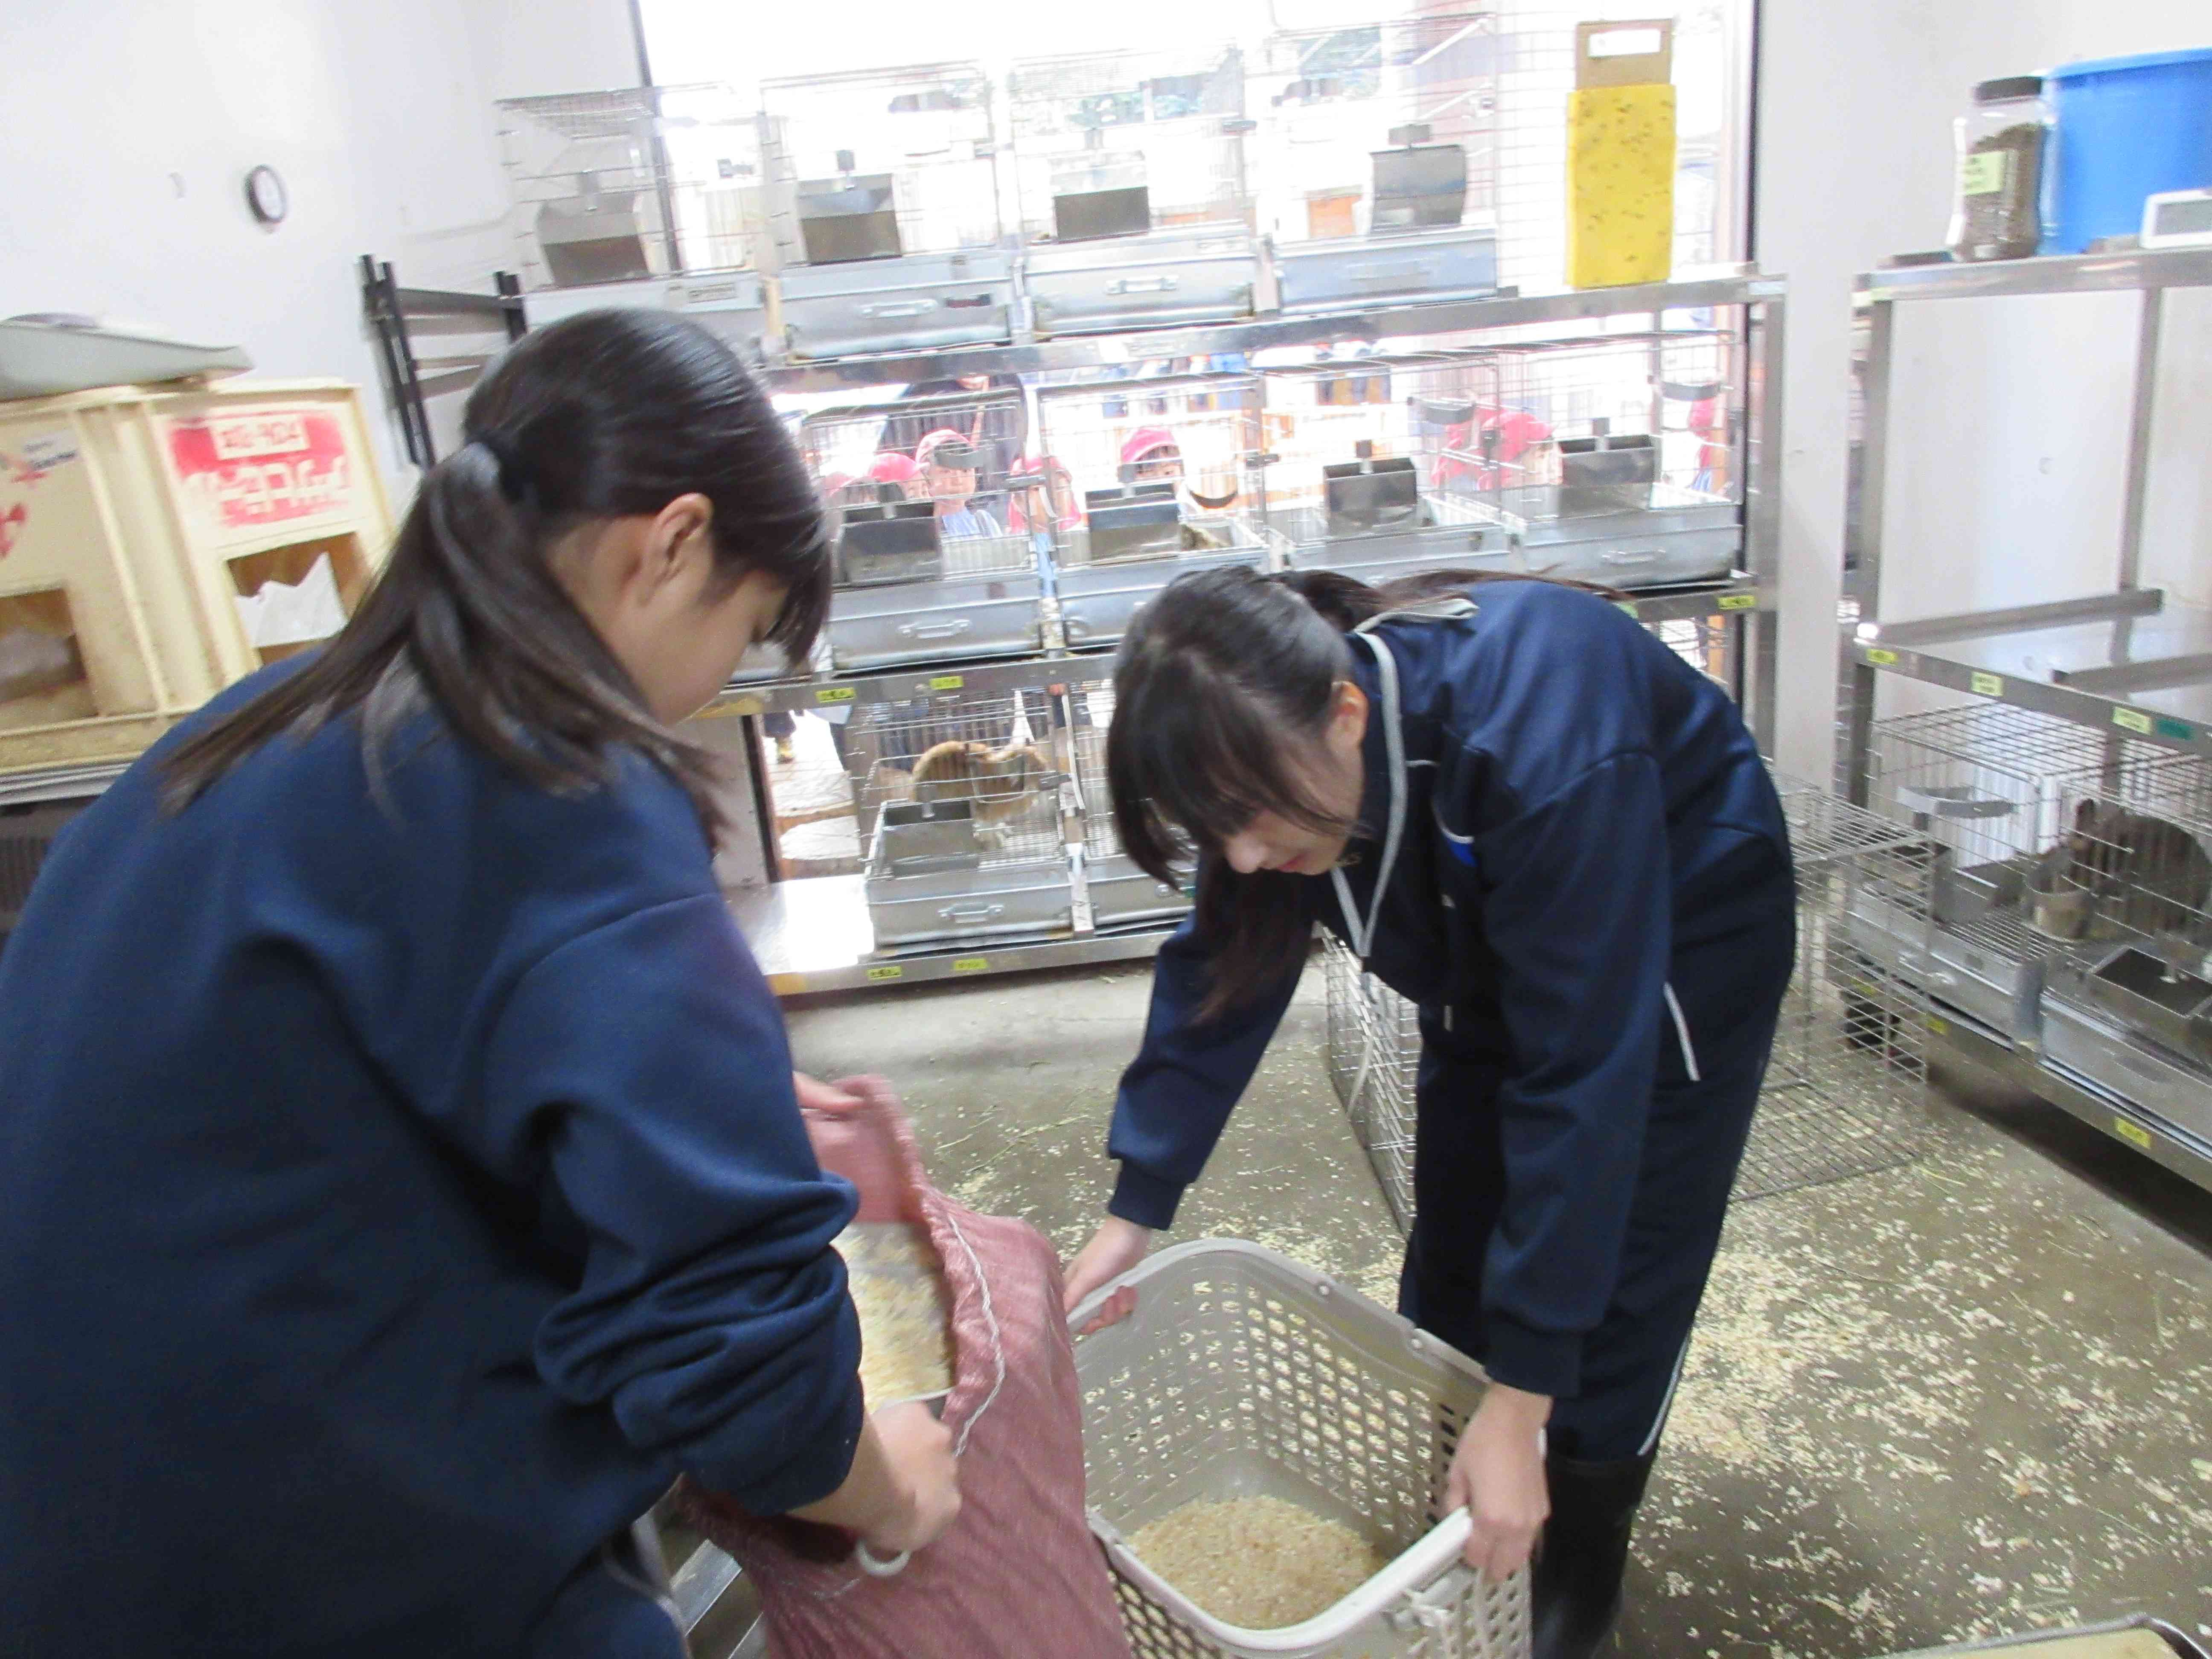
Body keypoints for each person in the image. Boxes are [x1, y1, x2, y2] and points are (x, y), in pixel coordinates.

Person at [0, 311, 960, 1657]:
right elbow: (735, 1364)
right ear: (672, 543)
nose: (708, 694)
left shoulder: (234, 741)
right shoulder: (558, 786)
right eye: (741, 637)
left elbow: (339, 1094)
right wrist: (886, 1474)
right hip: (354, 1579)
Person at [1060, 566, 1794, 1659]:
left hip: (1669, 964)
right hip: (1491, 955)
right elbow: (1222, 960)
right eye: (1218, 833)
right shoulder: (1290, 760)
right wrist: (1137, 1205)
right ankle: (1474, 1495)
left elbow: (1583, 1077)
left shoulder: (1542, 736)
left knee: (1616, 1272)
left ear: (1345, 713)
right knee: (1456, 1224)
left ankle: (1574, 1563)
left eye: (1254, 821)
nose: (1249, 857)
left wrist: (1525, 1395)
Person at [914, 428, 1006, 537]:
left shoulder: (984, 522)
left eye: (965, 471)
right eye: (946, 471)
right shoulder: (921, 530)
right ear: (925, 478)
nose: (958, 480)